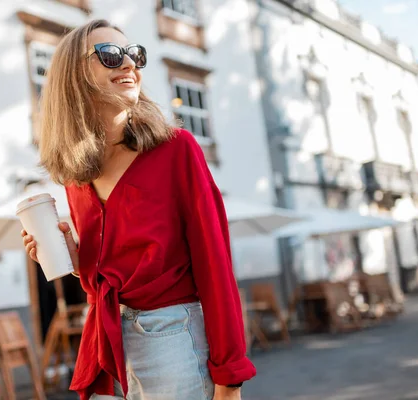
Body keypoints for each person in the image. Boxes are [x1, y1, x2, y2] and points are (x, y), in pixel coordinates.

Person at [21, 19, 256, 400]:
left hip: (173, 337)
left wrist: (229, 376)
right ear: (73, 76)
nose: (129, 64)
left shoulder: (176, 150)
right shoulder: (75, 174)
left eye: (134, 55)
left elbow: (215, 265)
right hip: (105, 342)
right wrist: (77, 259)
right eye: (110, 55)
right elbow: (99, 283)